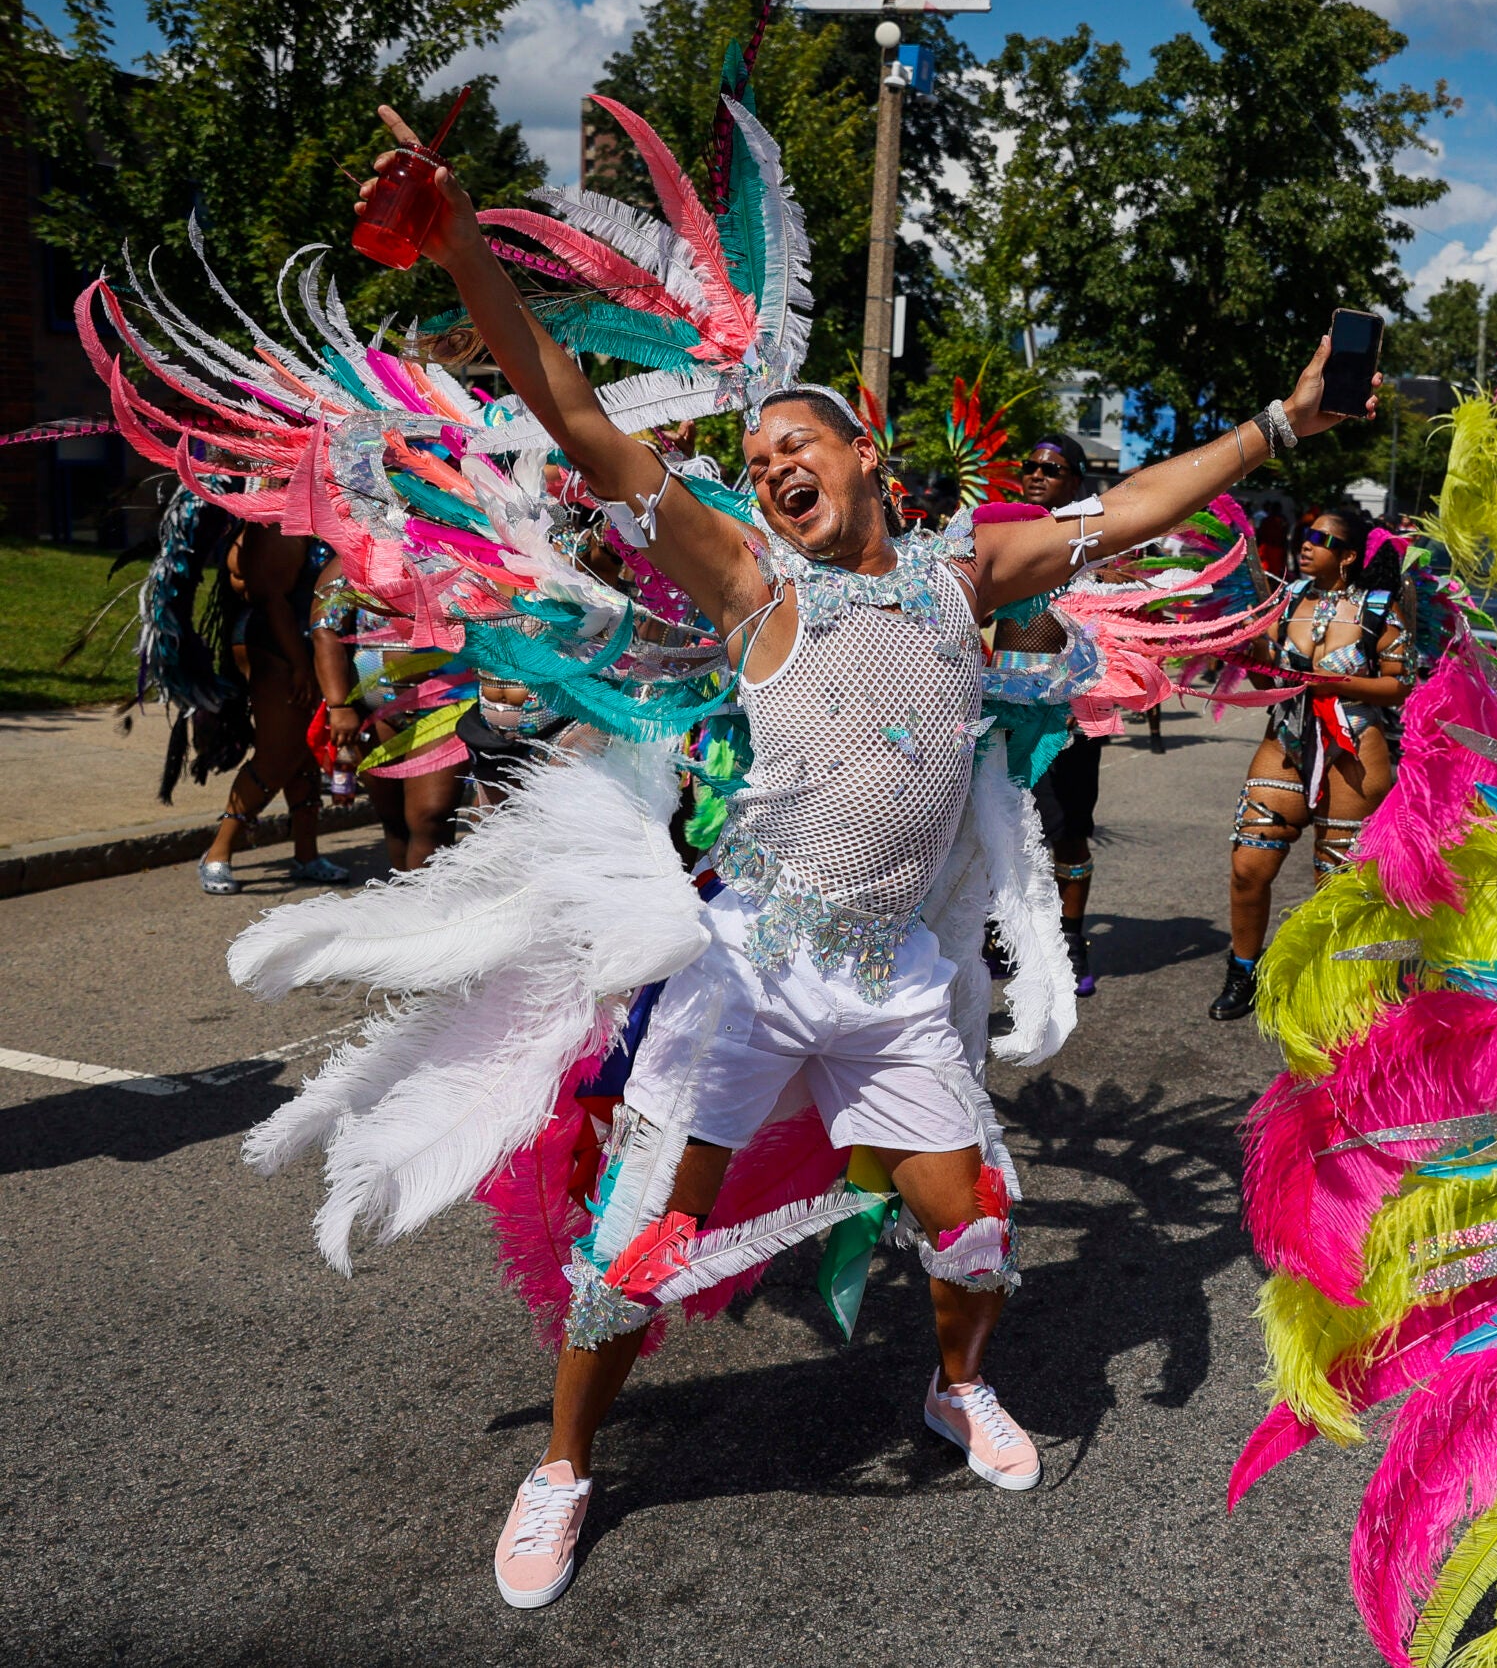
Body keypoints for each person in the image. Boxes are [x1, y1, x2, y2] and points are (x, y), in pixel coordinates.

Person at [352, 105, 1375, 1608]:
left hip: (893, 976)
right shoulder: (747, 578)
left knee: (973, 1232)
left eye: (793, 445)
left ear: (864, 447)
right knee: (641, 1239)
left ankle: (955, 1389)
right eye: (757, 457)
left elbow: (1142, 504)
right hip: (751, 963)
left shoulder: (970, 575)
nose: (769, 469)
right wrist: (467, 263)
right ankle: (565, 1466)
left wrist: (1283, 425)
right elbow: (574, 416)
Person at [1211, 506, 1413, 1022]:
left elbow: (1399, 685)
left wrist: (1336, 684)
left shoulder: (1378, 608)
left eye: (1320, 538)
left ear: (1347, 556)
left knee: (1337, 885)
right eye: (1304, 535)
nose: (1306, 544)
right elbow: (1265, 682)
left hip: (1355, 752)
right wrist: (1250, 647)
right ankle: (1243, 972)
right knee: (1247, 868)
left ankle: (1336, 984)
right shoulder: (1287, 602)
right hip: (1285, 739)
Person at [992, 434, 1106, 996]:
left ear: (1076, 482)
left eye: (1053, 469)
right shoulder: (998, 537)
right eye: (1031, 466)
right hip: (1001, 707)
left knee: (1068, 831)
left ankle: (1070, 936)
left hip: (1068, 713)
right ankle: (1005, 930)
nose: (1038, 475)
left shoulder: (1094, 546)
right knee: (1000, 822)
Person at [196, 506, 351, 893]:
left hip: (312, 647)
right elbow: (269, 596)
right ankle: (218, 852)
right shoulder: (281, 516)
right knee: (277, 755)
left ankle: (306, 853)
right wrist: (300, 663)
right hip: (281, 648)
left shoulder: (326, 510)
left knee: (303, 751)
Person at [309, 556, 473, 869]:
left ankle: (430, 911)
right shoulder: (353, 560)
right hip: (376, 712)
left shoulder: (454, 549)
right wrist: (340, 705)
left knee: (430, 817)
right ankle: (402, 907)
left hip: (446, 707)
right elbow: (325, 629)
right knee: (394, 821)